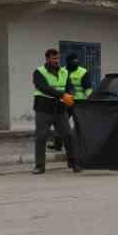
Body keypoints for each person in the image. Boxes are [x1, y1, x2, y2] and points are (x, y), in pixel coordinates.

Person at [31, 47, 79, 175]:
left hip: (60, 109)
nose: (57, 61)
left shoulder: (64, 72)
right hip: (43, 109)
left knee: (68, 135)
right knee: (41, 137)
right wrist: (63, 95)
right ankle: (39, 166)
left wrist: (71, 94)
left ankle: (73, 163)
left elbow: (70, 87)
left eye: (58, 58)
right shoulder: (39, 72)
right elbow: (44, 88)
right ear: (47, 59)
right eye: (54, 58)